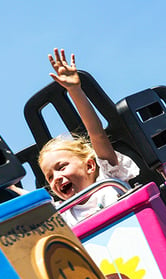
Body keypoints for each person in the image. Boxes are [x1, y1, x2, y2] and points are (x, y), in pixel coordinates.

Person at [37, 48, 139, 225]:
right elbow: (24, 200)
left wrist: (74, 90)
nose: (56, 178)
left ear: (90, 166)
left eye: (61, 167)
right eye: (50, 177)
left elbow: (96, 133)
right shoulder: (65, 214)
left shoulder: (108, 179)